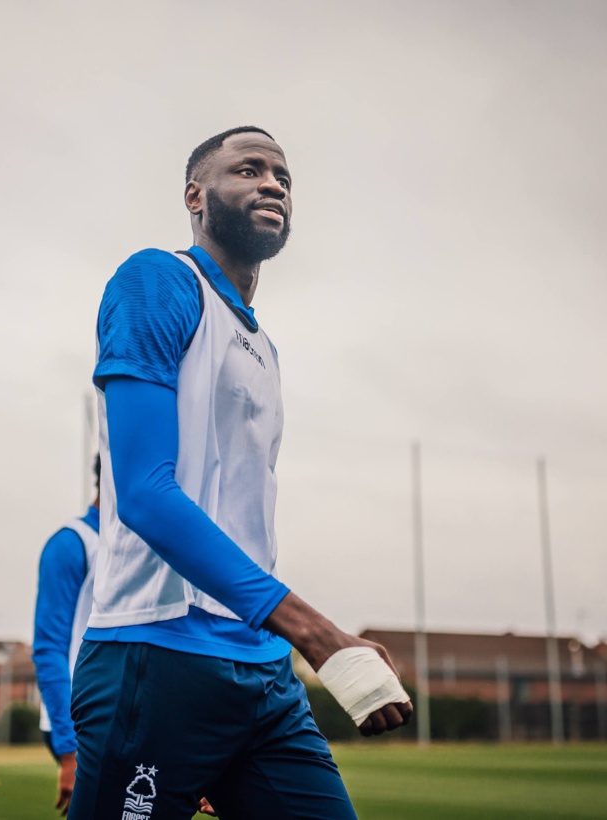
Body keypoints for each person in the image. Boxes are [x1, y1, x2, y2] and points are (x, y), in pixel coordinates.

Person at [69, 127, 412, 820]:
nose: (273, 183)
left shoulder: (262, 344)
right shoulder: (157, 280)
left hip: (260, 670)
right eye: (249, 169)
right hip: (156, 655)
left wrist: (285, 639)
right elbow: (144, 494)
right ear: (195, 197)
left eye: (283, 176)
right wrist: (317, 633)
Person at [33, 456, 101, 815]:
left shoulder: (142, 545)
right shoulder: (72, 543)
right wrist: (69, 751)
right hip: (79, 723)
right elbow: (49, 648)